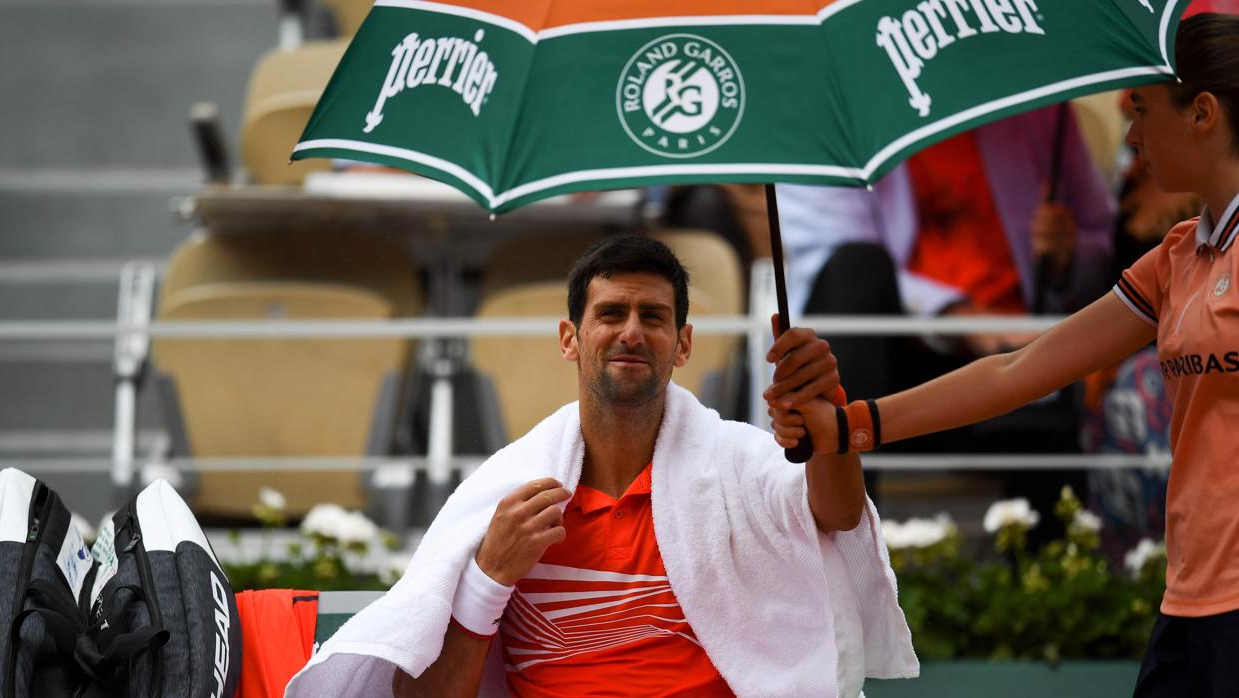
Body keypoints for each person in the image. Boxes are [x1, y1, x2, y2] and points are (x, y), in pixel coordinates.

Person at [768, 14, 1239, 696]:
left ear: (1202, 114)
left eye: (1141, 111)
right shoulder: (1175, 256)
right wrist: (847, 426)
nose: (1130, 136)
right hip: (1191, 601)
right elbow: (1018, 370)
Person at [285, 235, 918, 698]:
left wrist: (825, 415)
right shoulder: (508, 497)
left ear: (685, 343)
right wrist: (487, 578)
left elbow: (834, 514)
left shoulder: (737, 465)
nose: (632, 333)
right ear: (570, 338)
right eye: (611, 314)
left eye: (654, 317)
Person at [775, 104, 1116, 526]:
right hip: (896, 365)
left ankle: (1051, 577)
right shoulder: (832, 120)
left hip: (1024, 355)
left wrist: (1069, 256)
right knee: (853, 268)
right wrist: (961, 316)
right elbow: (836, 261)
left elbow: (1104, 250)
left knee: (1045, 379)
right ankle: (846, 531)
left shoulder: (1042, 110)